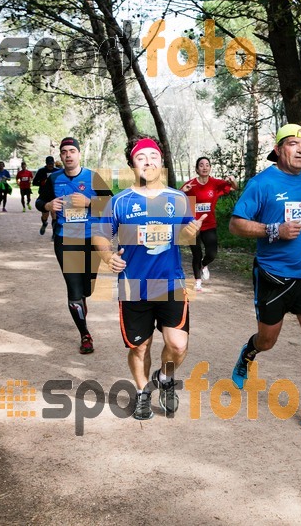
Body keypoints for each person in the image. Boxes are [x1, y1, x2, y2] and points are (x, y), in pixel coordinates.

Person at [229, 123, 301, 438]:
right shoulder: (262, 183)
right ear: (279, 149)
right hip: (272, 276)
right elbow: (236, 224)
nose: (300, 149)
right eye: (293, 143)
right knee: (268, 340)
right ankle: (248, 354)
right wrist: (272, 230)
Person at [94, 135, 202, 420]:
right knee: (140, 346)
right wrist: (108, 256)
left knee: (178, 345)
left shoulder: (177, 199)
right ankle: (143, 392)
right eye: (141, 158)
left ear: (161, 162)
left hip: (171, 283)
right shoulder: (120, 202)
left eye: (153, 157)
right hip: (134, 286)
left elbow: (185, 235)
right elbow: (100, 235)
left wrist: (191, 234)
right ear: (133, 164)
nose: (148, 162)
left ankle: (165, 378)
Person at [35, 137, 112, 355]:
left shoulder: (93, 178)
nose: (68, 155)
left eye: (72, 151)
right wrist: (48, 204)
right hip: (65, 239)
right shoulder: (55, 179)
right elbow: (39, 201)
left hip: (92, 239)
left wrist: (89, 203)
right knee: (74, 290)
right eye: (64, 152)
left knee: (88, 288)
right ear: (60, 156)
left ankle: (82, 298)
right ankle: (85, 335)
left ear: (78, 154)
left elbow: (112, 204)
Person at [180, 157, 237, 292]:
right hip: (192, 224)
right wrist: (182, 191)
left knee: (212, 253)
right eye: (201, 165)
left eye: (207, 165)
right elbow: (175, 199)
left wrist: (233, 180)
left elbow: (234, 188)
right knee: (196, 254)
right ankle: (197, 281)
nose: (204, 167)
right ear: (197, 169)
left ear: (210, 168)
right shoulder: (191, 184)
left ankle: (204, 265)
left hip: (209, 224)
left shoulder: (215, 183)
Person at [33, 156, 58, 236]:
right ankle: (44, 223)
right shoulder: (41, 171)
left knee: (54, 214)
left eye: (51, 164)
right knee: (45, 215)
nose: (50, 165)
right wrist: (42, 182)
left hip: (54, 195)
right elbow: (34, 182)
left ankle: (54, 234)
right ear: (46, 164)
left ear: (53, 163)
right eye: (48, 164)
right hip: (44, 196)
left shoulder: (57, 171)